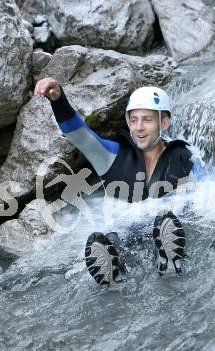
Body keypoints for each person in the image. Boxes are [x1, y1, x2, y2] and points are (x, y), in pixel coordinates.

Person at [34, 78, 194, 285]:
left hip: (167, 226)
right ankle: (115, 274)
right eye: (133, 120)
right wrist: (58, 100)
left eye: (147, 120)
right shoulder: (111, 155)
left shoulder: (184, 157)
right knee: (112, 239)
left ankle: (168, 260)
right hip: (128, 229)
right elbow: (80, 136)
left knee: (168, 224)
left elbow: (207, 192)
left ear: (164, 123)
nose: (138, 128)